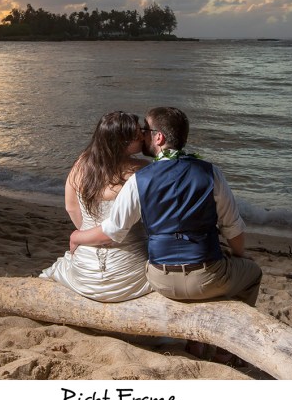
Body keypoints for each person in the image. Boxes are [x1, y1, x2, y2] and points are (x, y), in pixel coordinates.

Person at [70, 106, 262, 364]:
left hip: (159, 276)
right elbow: (234, 229)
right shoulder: (210, 172)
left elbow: (114, 229)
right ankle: (226, 352)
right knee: (251, 273)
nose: (142, 135)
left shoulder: (140, 178)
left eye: (146, 131)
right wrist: (240, 256)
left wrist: (77, 236)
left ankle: (198, 342)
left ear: (158, 138)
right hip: (206, 274)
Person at [40, 111, 153, 302]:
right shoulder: (142, 169)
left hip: (84, 274)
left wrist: (86, 234)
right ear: (122, 142)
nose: (143, 136)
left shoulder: (82, 165)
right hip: (127, 275)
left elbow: (71, 207)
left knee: (60, 267)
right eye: (137, 134)